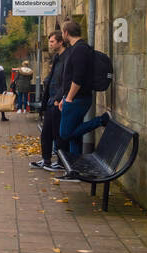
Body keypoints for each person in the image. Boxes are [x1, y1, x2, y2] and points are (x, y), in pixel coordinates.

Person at [55, 19, 109, 178]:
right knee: (74, 137)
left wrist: (69, 98)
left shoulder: (80, 50)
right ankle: (75, 170)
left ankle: (101, 120)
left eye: (62, 33)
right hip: (74, 98)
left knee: (65, 133)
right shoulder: (77, 49)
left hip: (77, 98)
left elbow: (77, 78)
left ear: (65, 33)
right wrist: (64, 97)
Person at [30, 30, 67, 171]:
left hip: (58, 101)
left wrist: (59, 98)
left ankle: (61, 162)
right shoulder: (57, 57)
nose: (50, 44)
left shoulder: (66, 57)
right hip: (51, 100)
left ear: (60, 41)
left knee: (58, 133)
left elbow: (66, 80)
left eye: (52, 41)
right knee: (46, 133)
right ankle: (46, 160)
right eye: (49, 42)